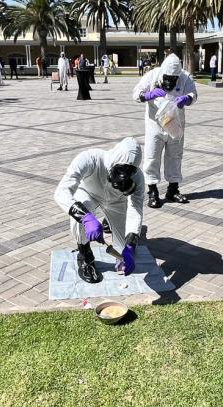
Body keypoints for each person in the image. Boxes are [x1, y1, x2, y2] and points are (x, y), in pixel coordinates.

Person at [54, 137, 144, 283]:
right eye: (120, 170)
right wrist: (85, 217)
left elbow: (135, 210)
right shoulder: (89, 159)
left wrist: (131, 244)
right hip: (89, 193)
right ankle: (84, 255)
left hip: (117, 202)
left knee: (123, 249)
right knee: (82, 210)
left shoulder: (138, 178)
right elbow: (61, 192)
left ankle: (116, 237)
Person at [132, 53, 198, 209]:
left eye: (173, 79)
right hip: (155, 125)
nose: (170, 82)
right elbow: (135, 94)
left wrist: (186, 99)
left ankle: (173, 190)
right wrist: (148, 95)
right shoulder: (152, 75)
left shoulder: (185, 77)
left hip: (175, 125)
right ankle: (153, 192)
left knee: (175, 156)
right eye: (167, 78)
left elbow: (193, 94)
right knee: (152, 156)